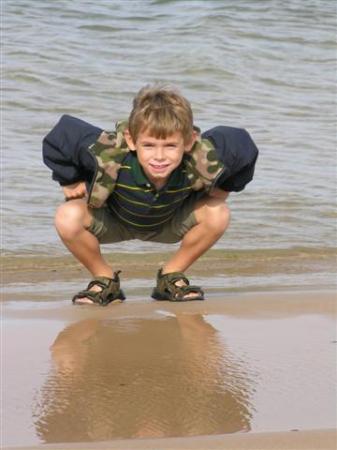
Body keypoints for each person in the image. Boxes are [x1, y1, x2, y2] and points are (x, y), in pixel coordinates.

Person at [43, 85, 258, 305]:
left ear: (190, 140)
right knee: (67, 215)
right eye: (149, 145)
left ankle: (170, 277)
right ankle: (105, 280)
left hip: (170, 222)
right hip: (113, 220)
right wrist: (68, 179)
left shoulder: (201, 156)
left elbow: (242, 145)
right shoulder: (108, 152)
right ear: (130, 139)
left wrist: (224, 188)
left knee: (218, 212)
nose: (159, 156)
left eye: (171, 145)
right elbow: (62, 134)